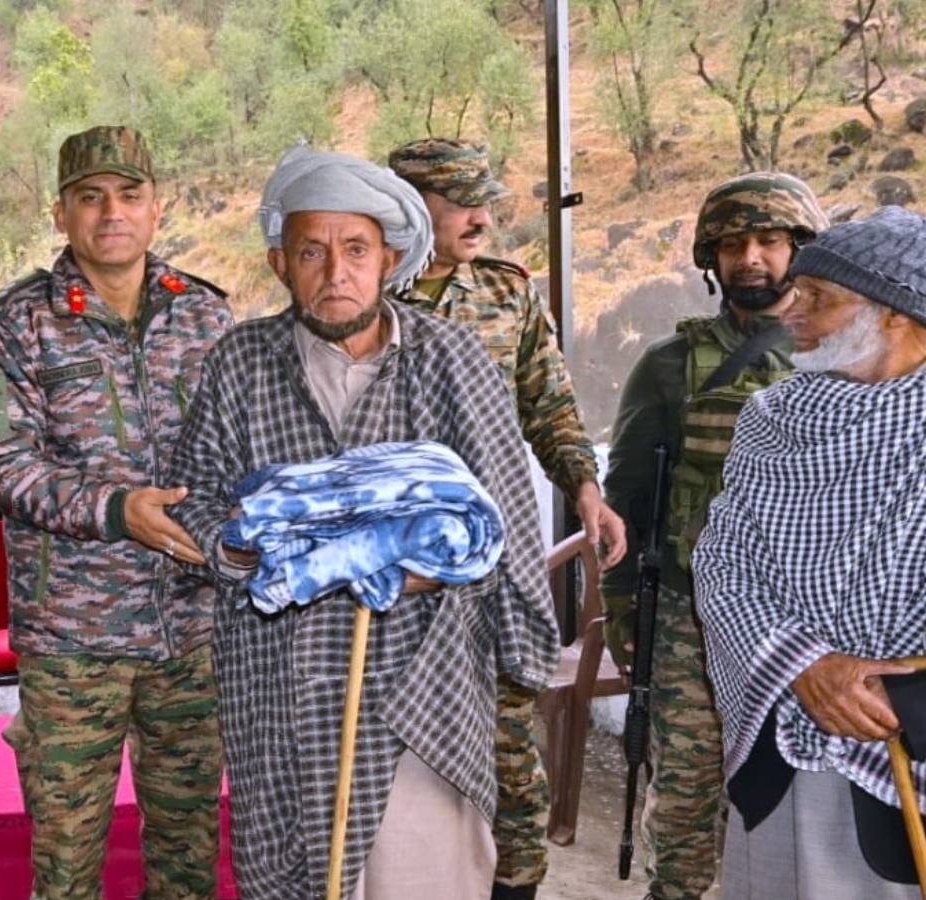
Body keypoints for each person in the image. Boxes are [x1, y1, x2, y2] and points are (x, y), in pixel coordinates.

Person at [167, 145, 557, 900]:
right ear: (281, 264)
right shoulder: (240, 363)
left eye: (355, 250)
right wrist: (266, 557)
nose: (335, 272)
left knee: (421, 873)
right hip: (278, 678)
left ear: (391, 257)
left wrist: (431, 576)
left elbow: (505, 507)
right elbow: (201, 508)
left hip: (424, 675)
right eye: (312, 251)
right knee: (294, 874)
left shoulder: (450, 357)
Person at [0, 125, 232, 896]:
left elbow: (242, 449)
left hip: (193, 629)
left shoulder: (206, 315)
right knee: (67, 859)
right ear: (60, 213)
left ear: (157, 207)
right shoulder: (16, 324)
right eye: (90, 197)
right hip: (74, 639)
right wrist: (118, 511)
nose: (112, 212)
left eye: (129, 194)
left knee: (188, 852)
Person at [388, 137, 625, 900]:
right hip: (389, 572)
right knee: (389, 758)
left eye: (485, 199)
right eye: (458, 201)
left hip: (490, 569)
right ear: (406, 208)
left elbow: (549, 406)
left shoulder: (505, 294)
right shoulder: (354, 293)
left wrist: (585, 488)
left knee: (509, 752)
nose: (480, 217)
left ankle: (516, 888)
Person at [601, 172, 827, 900]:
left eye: (768, 241)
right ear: (711, 257)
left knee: (805, 810)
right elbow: (629, 501)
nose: (751, 258)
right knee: (690, 809)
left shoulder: (848, 355)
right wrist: (622, 609)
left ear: (800, 249)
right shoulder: (669, 367)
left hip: (810, 622)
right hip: (687, 617)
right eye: (733, 244)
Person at [694, 205, 926, 899]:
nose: (790, 309)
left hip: (902, 740)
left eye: (819, 298)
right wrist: (806, 665)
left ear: (893, 314)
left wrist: (906, 690)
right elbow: (721, 564)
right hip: (786, 741)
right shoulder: (772, 420)